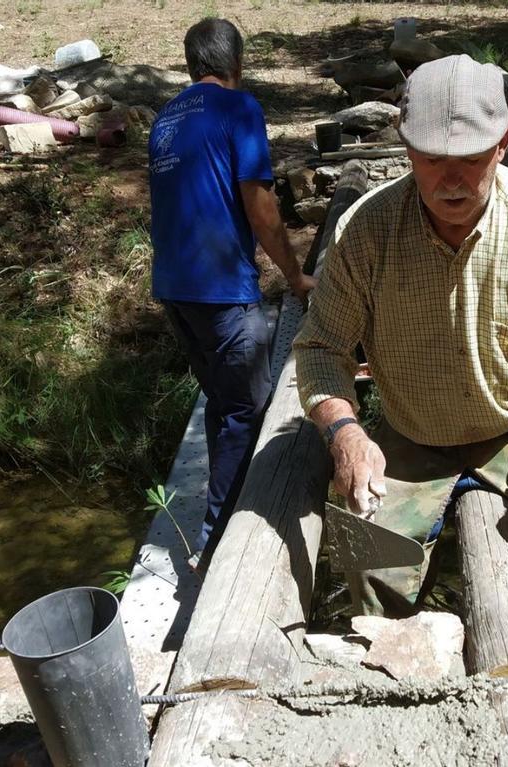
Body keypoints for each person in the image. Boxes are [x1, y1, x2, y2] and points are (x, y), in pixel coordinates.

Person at [293, 54, 508, 628]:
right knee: (369, 572)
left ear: (503, 144)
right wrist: (346, 435)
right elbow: (321, 348)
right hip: (413, 435)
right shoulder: (366, 231)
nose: (451, 181)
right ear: (406, 149)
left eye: (471, 161)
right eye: (431, 161)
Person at [149, 18, 315, 570]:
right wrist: (294, 277)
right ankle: (221, 543)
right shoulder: (239, 109)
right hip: (221, 292)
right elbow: (261, 206)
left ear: (192, 63)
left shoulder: (166, 119)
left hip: (176, 290)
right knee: (248, 407)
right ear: (234, 64)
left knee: (223, 402)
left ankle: (218, 523)